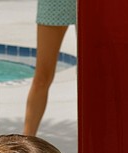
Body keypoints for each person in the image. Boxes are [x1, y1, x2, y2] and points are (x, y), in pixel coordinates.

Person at [23, 0, 76, 136]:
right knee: (42, 77)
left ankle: (95, 147)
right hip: (55, 3)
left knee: (90, 77)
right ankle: (26, 145)